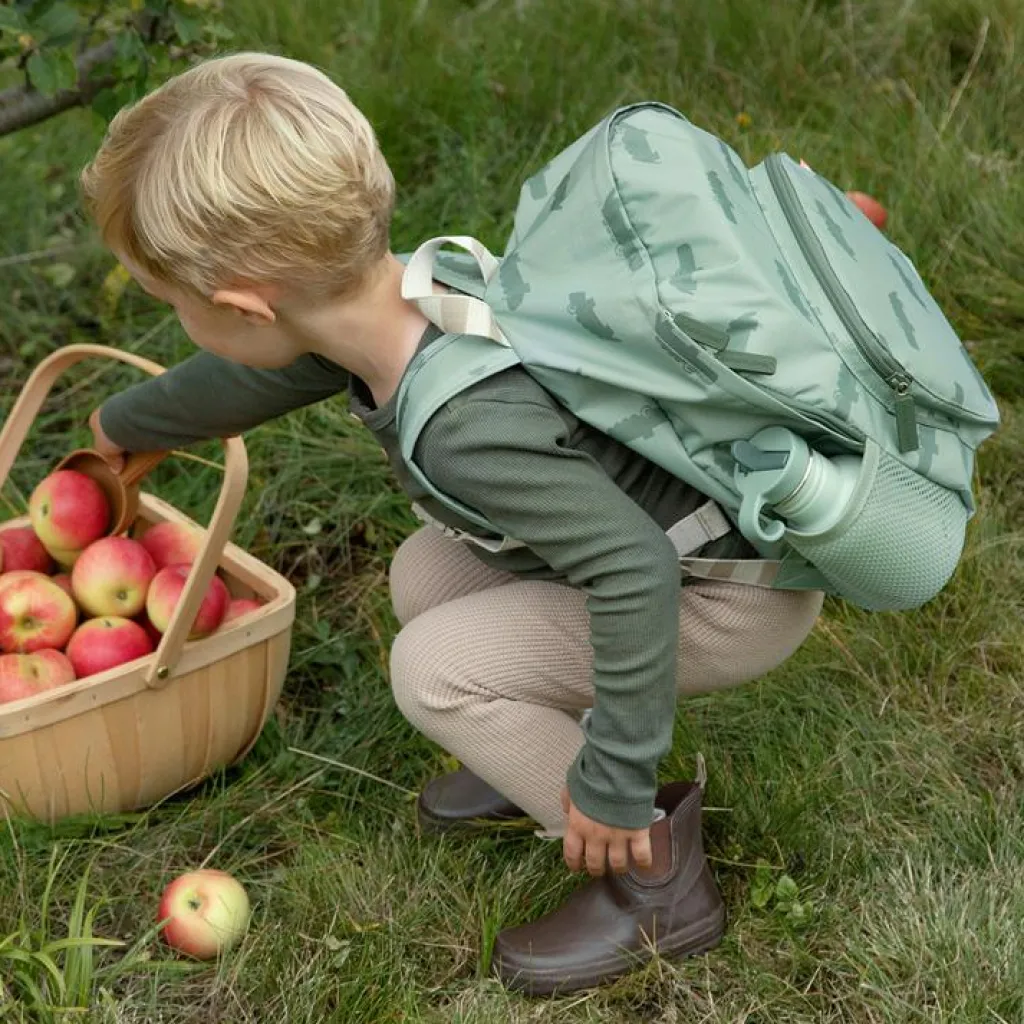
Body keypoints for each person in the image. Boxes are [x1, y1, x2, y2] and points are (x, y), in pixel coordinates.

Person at [80, 52, 824, 995]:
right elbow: (255, 378)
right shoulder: (410, 296)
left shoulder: (466, 429)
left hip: (725, 596)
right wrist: (128, 425)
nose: (181, 321)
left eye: (175, 306)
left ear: (243, 306)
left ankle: (652, 876)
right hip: (683, 546)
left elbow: (634, 569)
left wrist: (615, 779)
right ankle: (533, 753)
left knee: (433, 671)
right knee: (426, 576)